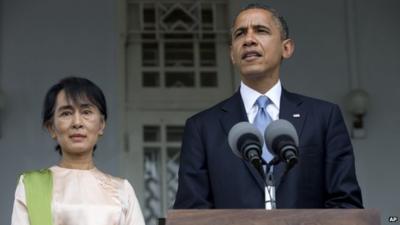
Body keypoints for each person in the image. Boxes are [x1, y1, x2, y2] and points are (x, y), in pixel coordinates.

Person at [174, 3, 363, 209]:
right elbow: (191, 211)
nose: (249, 40)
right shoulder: (202, 127)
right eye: (240, 34)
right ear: (232, 54)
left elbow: (345, 204)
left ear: (286, 48)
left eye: (261, 31)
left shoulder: (323, 117)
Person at [11, 77, 145, 225]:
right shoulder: (31, 185)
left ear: (101, 125)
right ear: (51, 128)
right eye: (66, 113)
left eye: (86, 112)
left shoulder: (123, 190)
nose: (77, 123)